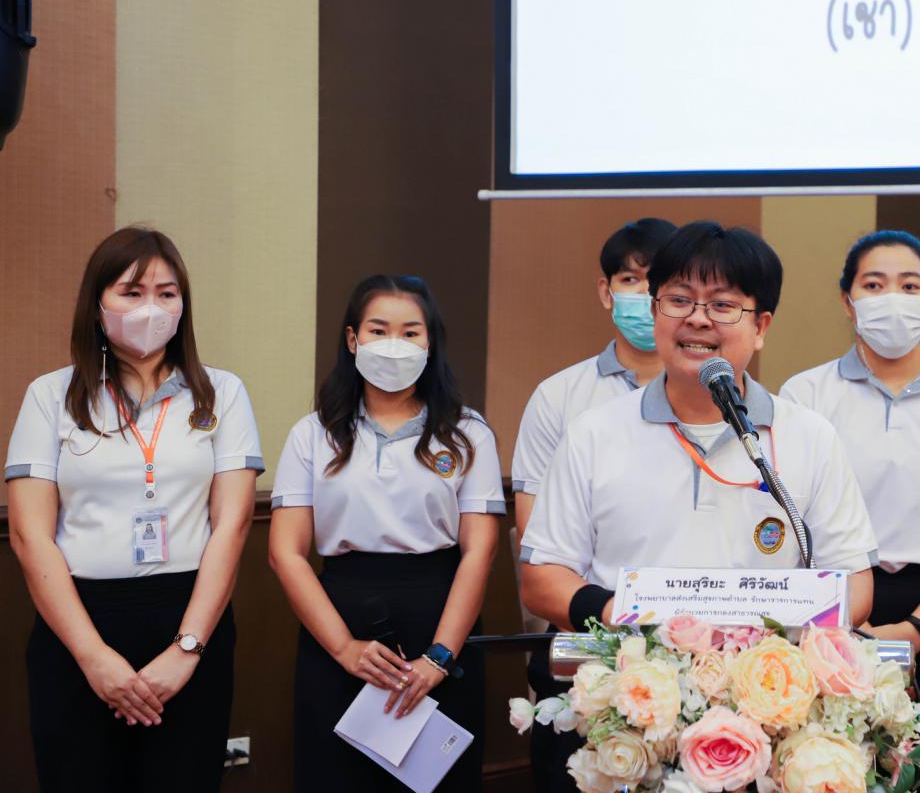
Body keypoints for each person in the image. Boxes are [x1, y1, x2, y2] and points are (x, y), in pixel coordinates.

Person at [520, 220, 878, 640]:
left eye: (722, 305)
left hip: (764, 674)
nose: (697, 319)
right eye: (678, 300)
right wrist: (623, 615)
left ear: (760, 327)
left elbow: (854, 584)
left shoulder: (810, 437)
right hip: (632, 670)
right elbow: (543, 577)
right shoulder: (593, 433)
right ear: (655, 311)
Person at [5, 226, 262, 792]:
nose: (151, 308)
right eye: (132, 292)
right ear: (97, 304)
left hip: (189, 617)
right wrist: (94, 657)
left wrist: (187, 650)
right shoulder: (50, 396)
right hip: (78, 623)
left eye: (167, 294)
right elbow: (28, 536)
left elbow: (233, 525)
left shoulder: (222, 392)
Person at [780, 229, 920, 776]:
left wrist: (918, 629)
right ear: (847, 300)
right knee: (832, 772)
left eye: (909, 286)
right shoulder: (805, 395)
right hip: (834, 614)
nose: (892, 299)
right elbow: (791, 525)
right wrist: (839, 626)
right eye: (874, 285)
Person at [268, 275, 502, 792]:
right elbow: (285, 553)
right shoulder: (313, 433)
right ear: (353, 340)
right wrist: (344, 648)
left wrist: (439, 657)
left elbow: (480, 552)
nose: (394, 344)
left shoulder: (468, 432)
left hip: (441, 621)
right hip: (339, 624)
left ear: (430, 343)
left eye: (410, 332)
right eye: (378, 330)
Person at [512, 217, 674, 793]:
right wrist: (607, 617)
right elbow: (534, 531)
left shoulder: (717, 396)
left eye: (661, 283)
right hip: (583, 641)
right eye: (631, 280)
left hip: (691, 645)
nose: (645, 296)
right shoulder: (560, 396)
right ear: (607, 292)